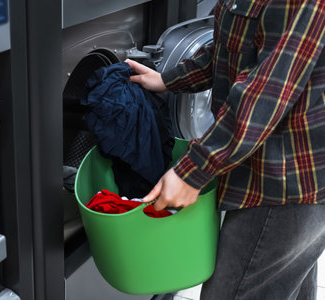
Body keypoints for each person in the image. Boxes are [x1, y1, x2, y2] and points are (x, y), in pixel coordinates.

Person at [126, 0, 325, 299]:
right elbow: (228, 51)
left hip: (287, 182)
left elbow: (264, 94)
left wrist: (193, 171)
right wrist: (169, 79)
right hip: (270, 173)